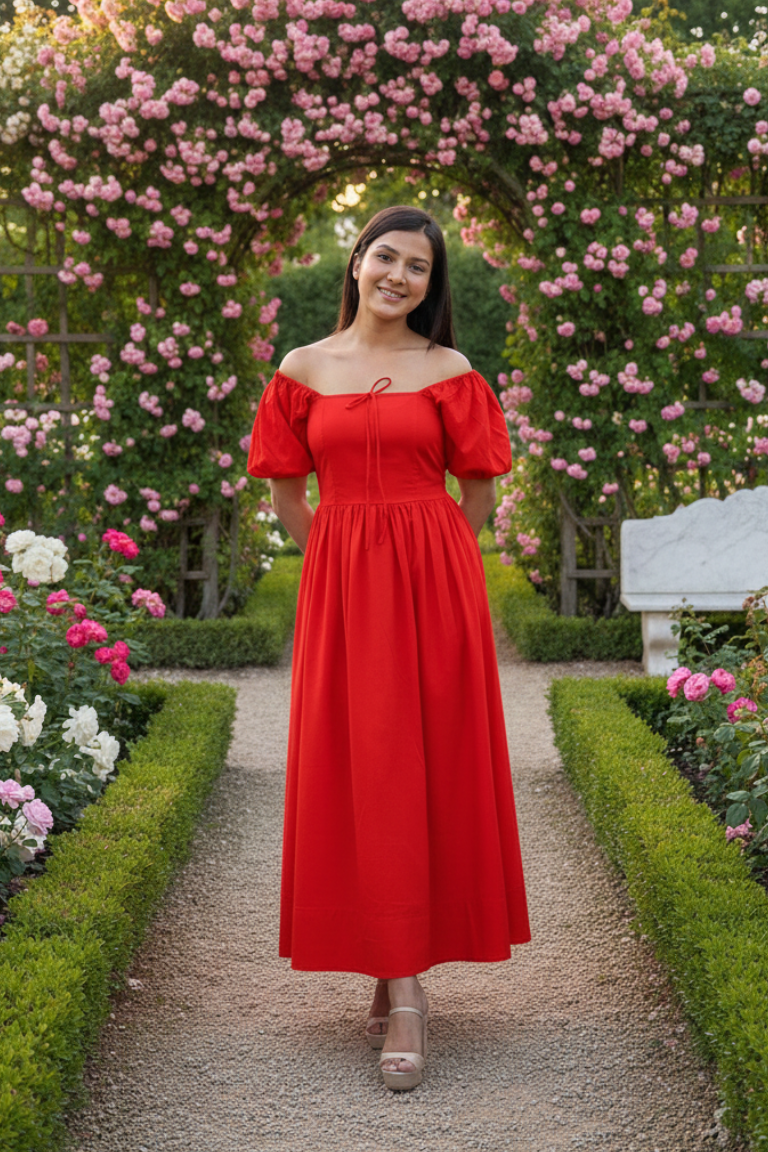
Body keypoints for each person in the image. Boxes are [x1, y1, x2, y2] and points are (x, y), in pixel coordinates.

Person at [247, 204, 531, 1092]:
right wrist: (341, 553)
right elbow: (290, 493)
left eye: (417, 267)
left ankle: (402, 993)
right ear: (357, 262)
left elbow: (478, 491)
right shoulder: (300, 370)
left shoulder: (450, 370)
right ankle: (390, 969)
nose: (398, 276)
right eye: (386, 257)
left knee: (423, 764)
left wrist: (431, 553)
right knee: (363, 764)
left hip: (435, 587)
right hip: (341, 587)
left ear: (430, 286)